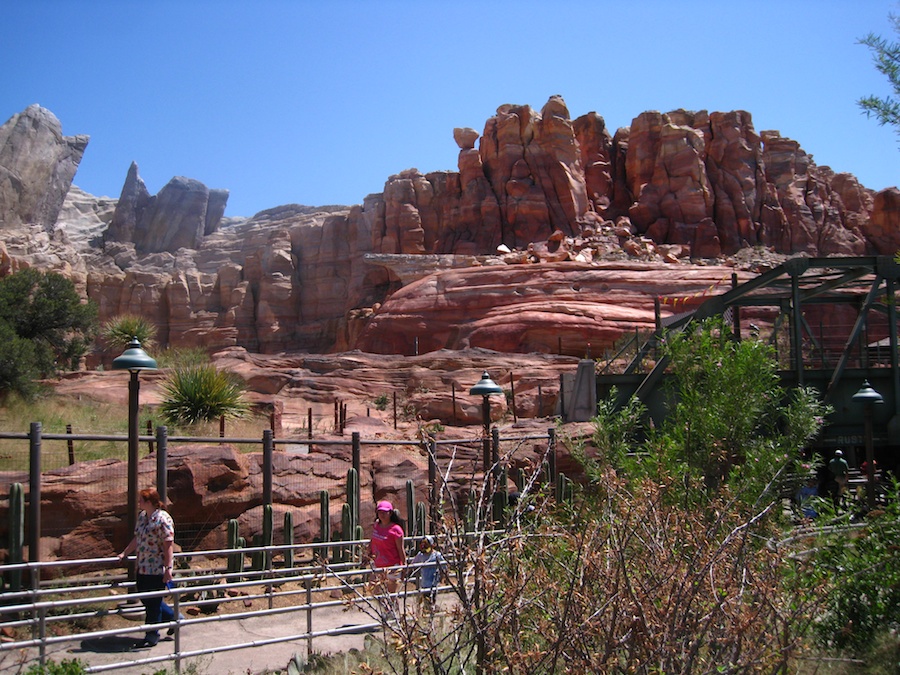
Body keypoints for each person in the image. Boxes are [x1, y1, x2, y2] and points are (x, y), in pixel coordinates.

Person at [118, 488, 175, 647]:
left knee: (153, 603)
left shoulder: (163, 519)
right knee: (146, 598)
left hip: (156, 568)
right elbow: (137, 538)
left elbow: (168, 545)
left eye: (141, 500)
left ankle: (152, 634)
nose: (139, 503)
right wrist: (125, 553)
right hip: (142, 566)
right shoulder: (143, 517)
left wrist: (168, 568)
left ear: (149, 502)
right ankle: (173, 616)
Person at [369, 500, 405, 593]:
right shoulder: (377, 525)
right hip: (378, 565)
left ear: (390, 513)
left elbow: (400, 550)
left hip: (392, 566)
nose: (382, 514)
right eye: (380, 512)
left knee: (391, 596)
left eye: (385, 512)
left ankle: (395, 608)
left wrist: (404, 568)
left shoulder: (396, 529)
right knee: (375, 592)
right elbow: (372, 540)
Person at [409, 535, 446, 608]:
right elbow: (413, 564)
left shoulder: (436, 555)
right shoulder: (421, 555)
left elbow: (444, 566)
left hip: (433, 583)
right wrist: (407, 572)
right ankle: (428, 612)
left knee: (431, 601)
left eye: (426, 545)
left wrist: (443, 577)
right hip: (424, 583)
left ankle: (431, 612)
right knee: (425, 601)